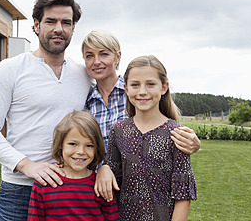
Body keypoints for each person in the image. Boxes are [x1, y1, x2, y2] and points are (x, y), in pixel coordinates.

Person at [0, 0, 92, 220]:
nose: (59, 28)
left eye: (66, 22)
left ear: (73, 29)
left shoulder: (83, 75)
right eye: (51, 21)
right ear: (36, 25)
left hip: (72, 189)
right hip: (20, 191)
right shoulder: (10, 69)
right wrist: (27, 165)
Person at [81, 29, 200, 199]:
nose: (96, 61)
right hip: (95, 189)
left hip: (136, 192)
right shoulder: (86, 101)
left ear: (117, 57)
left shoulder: (137, 94)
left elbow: (162, 136)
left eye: (104, 54)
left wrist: (193, 144)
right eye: (89, 56)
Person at [101, 55, 197, 220]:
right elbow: (113, 181)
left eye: (150, 84)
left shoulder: (177, 133)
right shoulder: (119, 131)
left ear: (164, 87)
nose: (142, 92)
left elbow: (182, 195)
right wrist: (104, 169)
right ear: (126, 88)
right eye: (135, 85)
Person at [28, 111, 120, 220]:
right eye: (73, 144)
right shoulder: (44, 183)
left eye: (89, 145)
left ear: (97, 148)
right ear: (60, 144)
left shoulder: (101, 185)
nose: (81, 151)